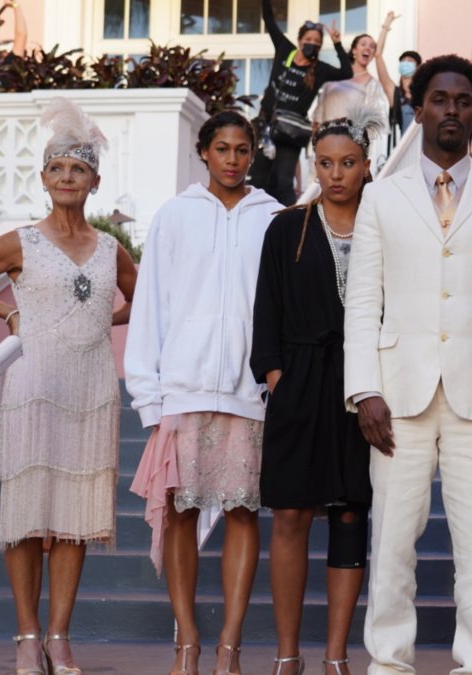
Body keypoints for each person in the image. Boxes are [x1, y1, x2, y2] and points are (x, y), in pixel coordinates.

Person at [343, 54, 472, 675]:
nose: (450, 110)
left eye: (462, 100)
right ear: (419, 107)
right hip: (395, 397)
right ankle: (389, 661)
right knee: (393, 541)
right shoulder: (381, 196)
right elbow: (363, 302)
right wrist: (362, 392)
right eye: (439, 99)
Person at [0, 98, 138, 675]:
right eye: (57, 169)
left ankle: (59, 638)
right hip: (35, 383)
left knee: (75, 516)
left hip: (92, 386)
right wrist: (7, 314)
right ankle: (26, 636)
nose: (68, 177)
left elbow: (143, 298)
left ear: (94, 182)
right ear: (45, 179)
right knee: (26, 514)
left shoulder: (111, 249)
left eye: (78, 169)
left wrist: (103, 321)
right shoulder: (22, 241)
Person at [126, 110, 282, 675]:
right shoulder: (175, 217)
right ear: (204, 152)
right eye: (222, 148)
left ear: (253, 153)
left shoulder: (275, 218)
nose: (233, 159)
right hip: (183, 389)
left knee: (243, 512)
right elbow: (152, 305)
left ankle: (229, 647)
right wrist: (150, 392)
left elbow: (280, 307)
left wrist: (274, 381)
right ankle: (187, 642)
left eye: (243, 149)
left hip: (248, 391)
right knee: (178, 512)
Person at [252, 110, 385, 675]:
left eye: (348, 163)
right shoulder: (288, 227)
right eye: (325, 163)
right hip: (301, 383)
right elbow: (266, 315)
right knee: (290, 516)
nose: (336, 174)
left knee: (352, 514)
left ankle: (336, 655)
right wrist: (279, 381)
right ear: (312, 164)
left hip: (365, 388)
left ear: (366, 166)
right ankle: (288, 654)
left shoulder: (388, 225)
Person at [251, 0, 353, 206]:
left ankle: (289, 227)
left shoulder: (320, 69)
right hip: (265, 128)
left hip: (291, 132)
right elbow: (268, 20)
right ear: (299, 40)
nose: (312, 45)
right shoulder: (284, 50)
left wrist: (337, 43)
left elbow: (346, 72)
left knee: (283, 183)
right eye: (308, 40)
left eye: (317, 42)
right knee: (258, 180)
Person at [312, 34, 390, 169]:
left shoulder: (373, 85)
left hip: (348, 146)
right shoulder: (335, 77)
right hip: (325, 141)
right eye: (364, 44)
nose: (368, 48)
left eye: (372, 47)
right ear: (354, 50)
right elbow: (318, 114)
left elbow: (375, 123)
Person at [373, 12, 419, 142]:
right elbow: (378, 56)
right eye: (403, 61)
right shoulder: (395, 93)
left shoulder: (424, 94)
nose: (405, 63)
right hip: (402, 152)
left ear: (418, 66)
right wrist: (386, 25)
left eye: (410, 60)